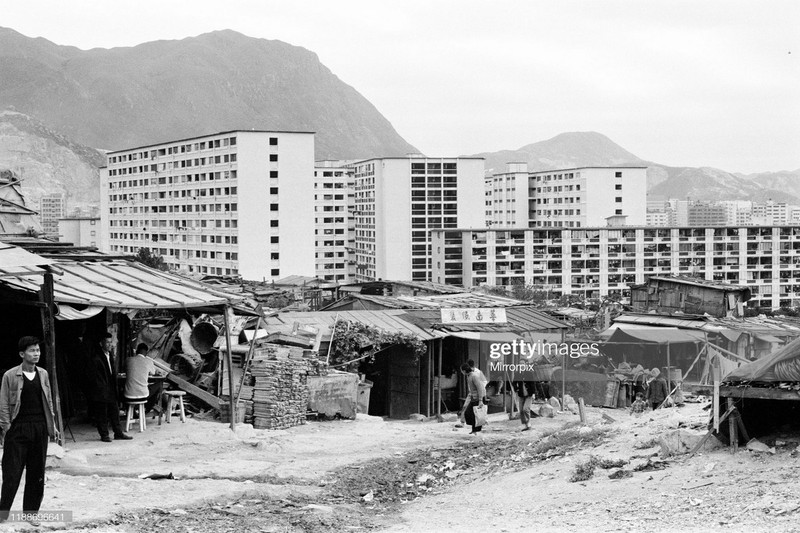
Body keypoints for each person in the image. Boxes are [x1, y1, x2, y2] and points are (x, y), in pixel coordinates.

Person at [0, 337, 58, 521]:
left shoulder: (43, 374)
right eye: (32, 351)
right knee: (12, 472)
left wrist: (52, 425)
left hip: (39, 427)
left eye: (38, 350)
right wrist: (7, 427)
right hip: (18, 428)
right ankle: (2, 513)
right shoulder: (10, 375)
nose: (36, 354)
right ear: (22, 354)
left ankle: (31, 514)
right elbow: (3, 405)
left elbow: (48, 401)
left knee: (36, 473)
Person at [89, 332, 132, 442]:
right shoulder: (96, 358)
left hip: (111, 388)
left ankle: (118, 433)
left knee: (114, 411)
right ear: (101, 343)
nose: (109, 345)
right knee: (102, 413)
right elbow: (96, 377)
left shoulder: (110, 355)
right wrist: (102, 389)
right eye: (107, 342)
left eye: (110, 342)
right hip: (102, 390)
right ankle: (104, 435)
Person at [124, 343, 158, 411]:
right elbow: (153, 373)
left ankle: (130, 411)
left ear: (137, 351)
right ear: (146, 352)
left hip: (128, 395)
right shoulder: (148, 361)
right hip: (142, 396)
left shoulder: (128, 360)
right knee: (158, 385)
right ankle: (147, 410)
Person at [459, 363, 486, 434]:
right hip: (473, 397)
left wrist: (480, 400)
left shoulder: (474, 376)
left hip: (477, 397)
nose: (461, 372)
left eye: (462, 371)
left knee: (474, 414)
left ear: (464, 371)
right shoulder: (469, 376)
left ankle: (476, 430)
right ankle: (475, 429)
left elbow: (480, 388)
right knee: (469, 413)